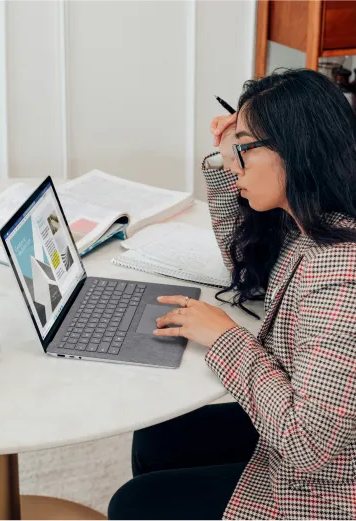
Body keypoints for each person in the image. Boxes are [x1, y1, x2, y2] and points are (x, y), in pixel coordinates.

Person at [108, 68, 356, 520]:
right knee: (156, 437)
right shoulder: (314, 220)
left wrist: (225, 338)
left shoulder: (340, 272)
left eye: (243, 148)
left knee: (133, 505)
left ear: (296, 150)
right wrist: (228, 155)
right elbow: (243, 260)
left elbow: (308, 446)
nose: (232, 163)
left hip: (325, 488)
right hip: (307, 437)